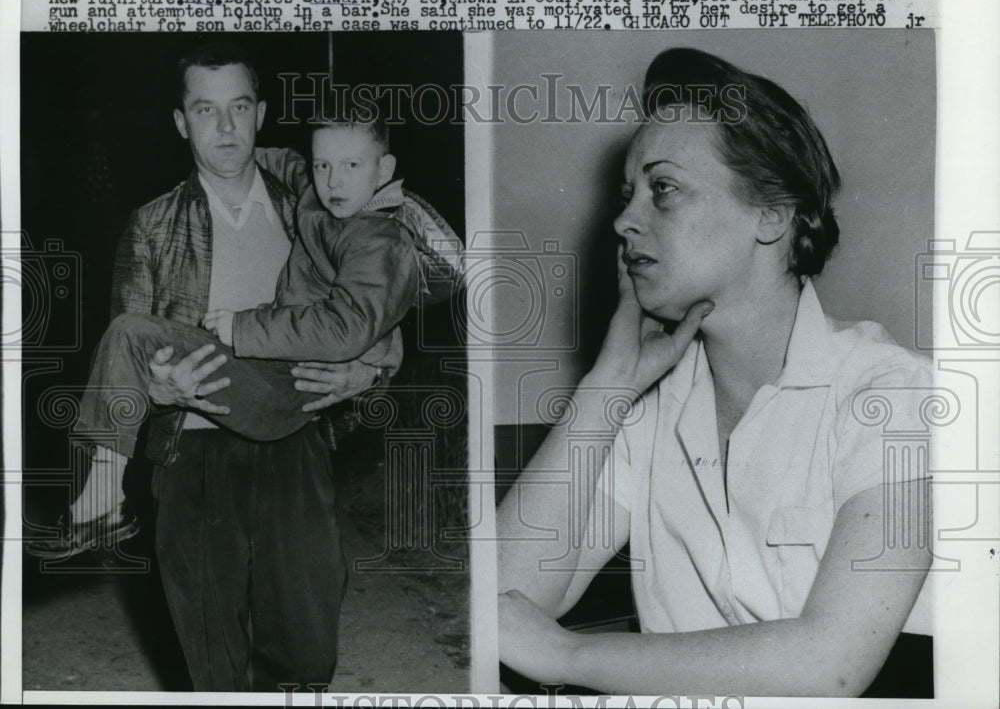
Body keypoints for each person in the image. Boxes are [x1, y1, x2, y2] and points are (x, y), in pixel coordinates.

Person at [497, 47, 932, 696]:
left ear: (772, 213)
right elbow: (504, 594)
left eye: (663, 189)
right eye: (628, 194)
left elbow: (828, 664)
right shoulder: (647, 413)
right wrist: (608, 384)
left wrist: (566, 656)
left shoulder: (891, 394)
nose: (623, 220)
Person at [29, 41, 455, 691]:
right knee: (210, 646)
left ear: (260, 113)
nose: (224, 127)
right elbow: (128, 349)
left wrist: (371, 369)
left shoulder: (312, 194)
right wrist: (161, 387)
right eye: (205, 110)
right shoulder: (150, 225)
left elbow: (382, 297)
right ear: (182, 122)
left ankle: (96, 501)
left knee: (308, 644)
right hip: (193, 448)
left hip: (295, 436)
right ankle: (97, 497)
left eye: (238, 108)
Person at [29, 109, 461, 552]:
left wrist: (243, 325)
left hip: (290, 390)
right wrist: (234, 142)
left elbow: (347, 328)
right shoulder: (316, 195)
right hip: (266, 375)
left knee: (130, 335)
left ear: (384, 169)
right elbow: (281, 160)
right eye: (323, 164)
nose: (334, 181)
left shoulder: (381, 242)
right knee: (130, 335)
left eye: (352, 166)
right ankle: (103, 499)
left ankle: (103, 503)